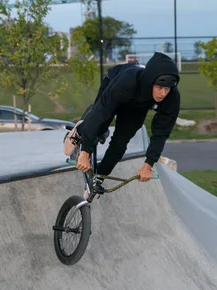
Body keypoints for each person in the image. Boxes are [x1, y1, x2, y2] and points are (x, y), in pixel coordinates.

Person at [63, 52, 180, 197]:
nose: (163, 93)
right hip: (114, 84)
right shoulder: (127, 81)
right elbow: (102, 112)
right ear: (151, 81)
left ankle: (100, 176)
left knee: (121, 142)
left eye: (167, 89)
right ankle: (80, 130)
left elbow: (161, 132)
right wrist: (85, 152)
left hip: (137, 106)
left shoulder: (172, 98)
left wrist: (148, 165)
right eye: (159, 87)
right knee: (100, 124)